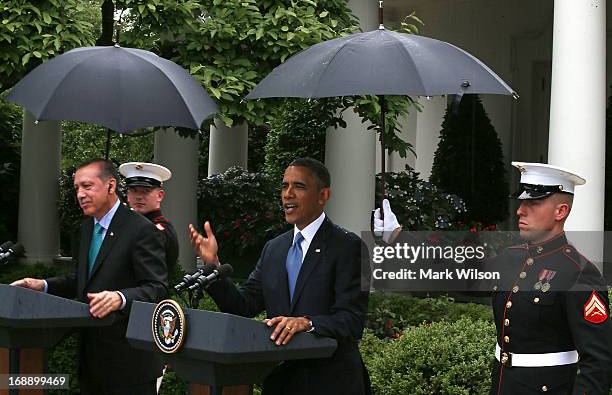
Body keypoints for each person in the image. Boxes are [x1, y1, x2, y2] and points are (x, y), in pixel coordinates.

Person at [374, 161, 612, 395]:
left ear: (561, 211)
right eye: (521, 203)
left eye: (534, 203)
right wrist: (397, 237)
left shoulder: (579, 273)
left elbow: (598, 363)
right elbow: (457, 273)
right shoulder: (511, 258)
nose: (520, 210)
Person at [189, 158, 370, 395]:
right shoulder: (274, 249)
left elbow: (352, 321)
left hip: (332, 382)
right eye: (284, 186)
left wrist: (307, 323)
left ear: (323, 195)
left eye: (299, 186)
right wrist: (213, 267)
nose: (288, 194)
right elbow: (244, 305)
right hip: (281, 382)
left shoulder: (350, 247)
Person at [12, 159, 168, 395]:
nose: (80, 194)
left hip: (130, 366)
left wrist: (120, 298)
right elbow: (84, 281)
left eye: (87, 186)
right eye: (76, 188)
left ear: (111, 185)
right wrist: (43, 285)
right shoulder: (86, 228)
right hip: (91, 364)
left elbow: (157, 288)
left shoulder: (141, 230)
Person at [119, 161, 179, 271]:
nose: (139, 196)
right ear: (127, 195)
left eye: (146, 191)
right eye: (134, 190)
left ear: (160, 196)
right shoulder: (123, 225)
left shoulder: (159, 230)